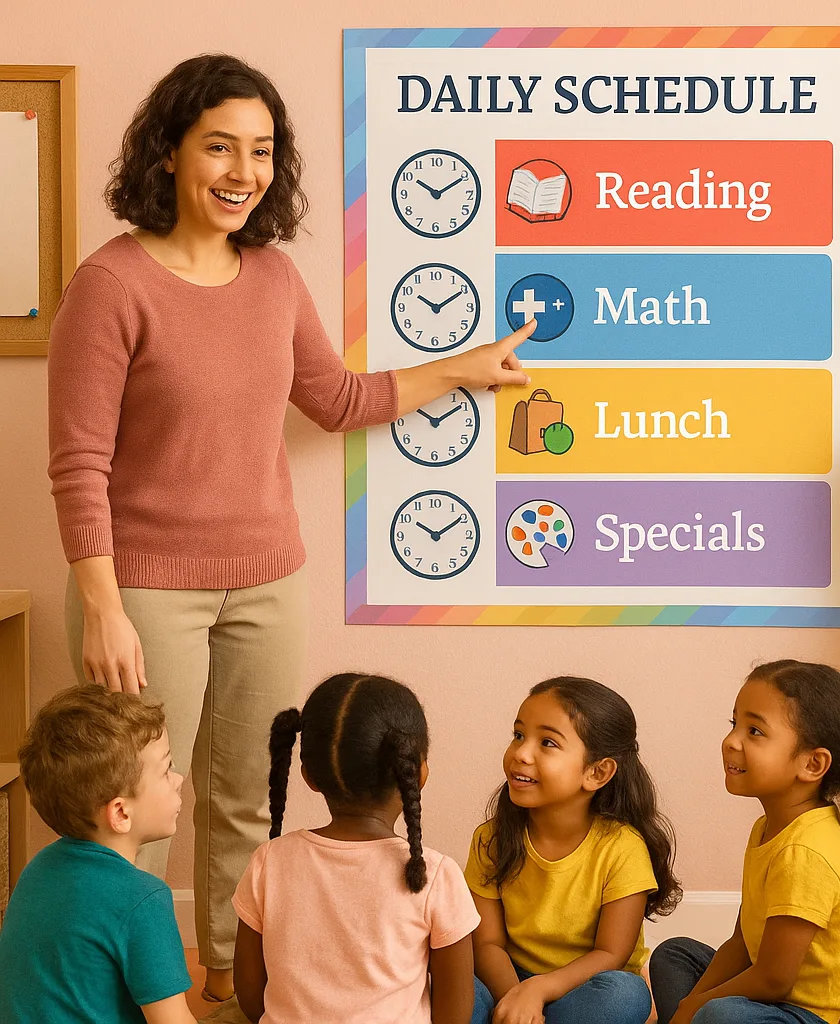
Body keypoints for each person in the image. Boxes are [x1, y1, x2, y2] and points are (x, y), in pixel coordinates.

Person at [47, 53, 533, 1001]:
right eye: (219, 146)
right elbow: (77, 464)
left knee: (244, 800)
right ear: (169, 152)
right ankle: (121, 993)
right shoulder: (109, 286)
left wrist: (464, 367)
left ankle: (230, 981)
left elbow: (336, 396)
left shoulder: (271, 277)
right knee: (131, 816)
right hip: (143, 587)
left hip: (267, 579)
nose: (243, 171)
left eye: (261, 151)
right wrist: (102, 607)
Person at [230, 673, 479, 1024]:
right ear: (418, 772)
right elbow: (455, 1014)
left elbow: (250, 993)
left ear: (308, 776)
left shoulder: (269, 861)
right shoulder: (436, 875)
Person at [651, 661, 840, 1024]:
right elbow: (742, 944)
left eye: (754, 730)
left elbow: (774, 979)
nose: (731, 741)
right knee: (674, 955)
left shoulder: (805, 850)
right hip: (769, 1000)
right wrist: (689, 1005)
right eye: (734, 724)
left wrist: (697, 1008)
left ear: (812, 764)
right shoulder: (768, 828)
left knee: (721, 1014)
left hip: (809, 1015)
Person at [465, 676, 682, 1024]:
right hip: (509, 981)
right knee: (457, 988)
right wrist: (516, 1000)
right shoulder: (491, 838)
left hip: (582, 986)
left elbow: (611, 953)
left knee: (625, 995)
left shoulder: (622, 848)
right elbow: (487, 943)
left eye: (547, 742)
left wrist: (538, 992)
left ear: (597, 773)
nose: (521, 753)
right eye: (518, 735)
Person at [0, 686, 194, 1024]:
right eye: (165, 771)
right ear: (120, 813)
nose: (178, 780)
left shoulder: (37, 868)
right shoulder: (142, 899)